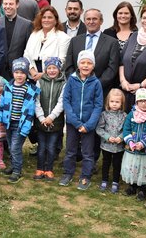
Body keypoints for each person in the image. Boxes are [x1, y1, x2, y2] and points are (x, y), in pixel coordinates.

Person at [59, 50, 103, 190]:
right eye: (83, 62)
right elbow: (66, 101)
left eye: (89, 63)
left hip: (89, 125)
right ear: (78, 65)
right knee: (70, 150)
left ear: (93, 66)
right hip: (73, 124)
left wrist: (89, 125)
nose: (85, 65)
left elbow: (98, 105)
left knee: (87, 152)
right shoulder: (71, 81)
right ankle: (68, 173)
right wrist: (76, 123)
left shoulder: (96, 83)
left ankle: (85, 176)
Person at [0, 57, 39, 184]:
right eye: (17, 72)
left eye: (22, 72)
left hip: (21, 125)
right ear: (13, 73)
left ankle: (17, 171)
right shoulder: (8, 86)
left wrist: (26, 128)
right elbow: (2, 104)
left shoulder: (30, 90)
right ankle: (14, 166)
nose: (19, 75)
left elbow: (30, 112)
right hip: (9, 122)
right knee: (10, 145)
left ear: (26, 74)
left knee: (15, 147)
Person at [64, 8, 120, 93]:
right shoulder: (75, 41)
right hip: (77, 90)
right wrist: (76, 83)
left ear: (101, 21)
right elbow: (69, 65)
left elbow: (112, 68)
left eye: (94, 19)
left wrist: (96, 85)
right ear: (84, 21)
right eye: (88, 19)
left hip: (101, 91)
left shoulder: (112, 42)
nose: (91, 22)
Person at [119, 4, 146, 111]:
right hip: (126, 91)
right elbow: (121, 61)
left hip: (145, 95)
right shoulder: (134, 36)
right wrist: (123, 81)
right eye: (144, 18)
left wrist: (140, 85)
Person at [33, 57, 65, 181]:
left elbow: (61, 103)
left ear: (59, 69)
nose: (52, 70)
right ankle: (40, 168)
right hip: (41, 122)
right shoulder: (40, 82)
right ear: (45, 69)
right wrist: (41, 117)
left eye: (54, 68)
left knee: (51, 148)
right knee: (41, 147)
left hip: (55, 122)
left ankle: (49, 169)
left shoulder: (63, 83)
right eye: (49, 68)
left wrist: (51, 117)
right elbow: (36, 101)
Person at [121, 88, 146, 200]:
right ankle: (132, 186)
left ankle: (142, 189)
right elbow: (126, 129)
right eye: (141, 101)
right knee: (133, 167)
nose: (144, 103)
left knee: (143, 168)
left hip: (144, 150)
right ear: (137, 102)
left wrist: (143, 143)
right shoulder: (132, 114)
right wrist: (130, 141)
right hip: (132, 149)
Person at [24, 6, 71, 80]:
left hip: (52, 80)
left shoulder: (64, 37)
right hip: (32, 77)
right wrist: (32, 71)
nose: (46, 20)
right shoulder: (34, 34)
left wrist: (43, 74)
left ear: (55, 20)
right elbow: (26, 55)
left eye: (50, 17)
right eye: (44, 17)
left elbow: (62, 61)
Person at [0, 0, 31, 80]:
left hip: (18, 73)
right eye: (5, 4)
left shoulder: (26, 24)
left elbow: (28, 50)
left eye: (11, 4)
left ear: (17, 5)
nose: (8, 6)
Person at [95, 88, 126, 193]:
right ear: (108, 102)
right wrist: (107, 137)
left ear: (121, 103)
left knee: (117, 164)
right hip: (106, 145)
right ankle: (104, 180)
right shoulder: (104, 114)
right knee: (106, 162)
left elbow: (127, 130)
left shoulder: (124, 116)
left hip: (119, 146)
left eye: (117, 102)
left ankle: (115, 182)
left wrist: (121, 138)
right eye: (112, 101)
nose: (114, 104)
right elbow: (99, 128)